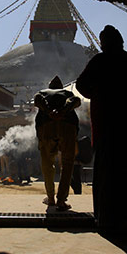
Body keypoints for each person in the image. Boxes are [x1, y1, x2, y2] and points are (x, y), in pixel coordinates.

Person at [76, 25, 127, 234]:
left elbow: (81, 86)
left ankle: (107, 217)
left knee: (108, 172)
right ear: (121, 41)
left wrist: (99, 92)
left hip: (107, 127)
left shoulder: (100, 61)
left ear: (104, 43)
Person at [34, 75, 81, 211]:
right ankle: (61, 200)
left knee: (47, 164)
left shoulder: (42, 92)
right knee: (67, 164)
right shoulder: (67, 93)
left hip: (46, 127)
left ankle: (50, 198)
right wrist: (63, 111)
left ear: (49, 87)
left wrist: (49, 112)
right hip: (68, 127)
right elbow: (76, 101)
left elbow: (37, 100)